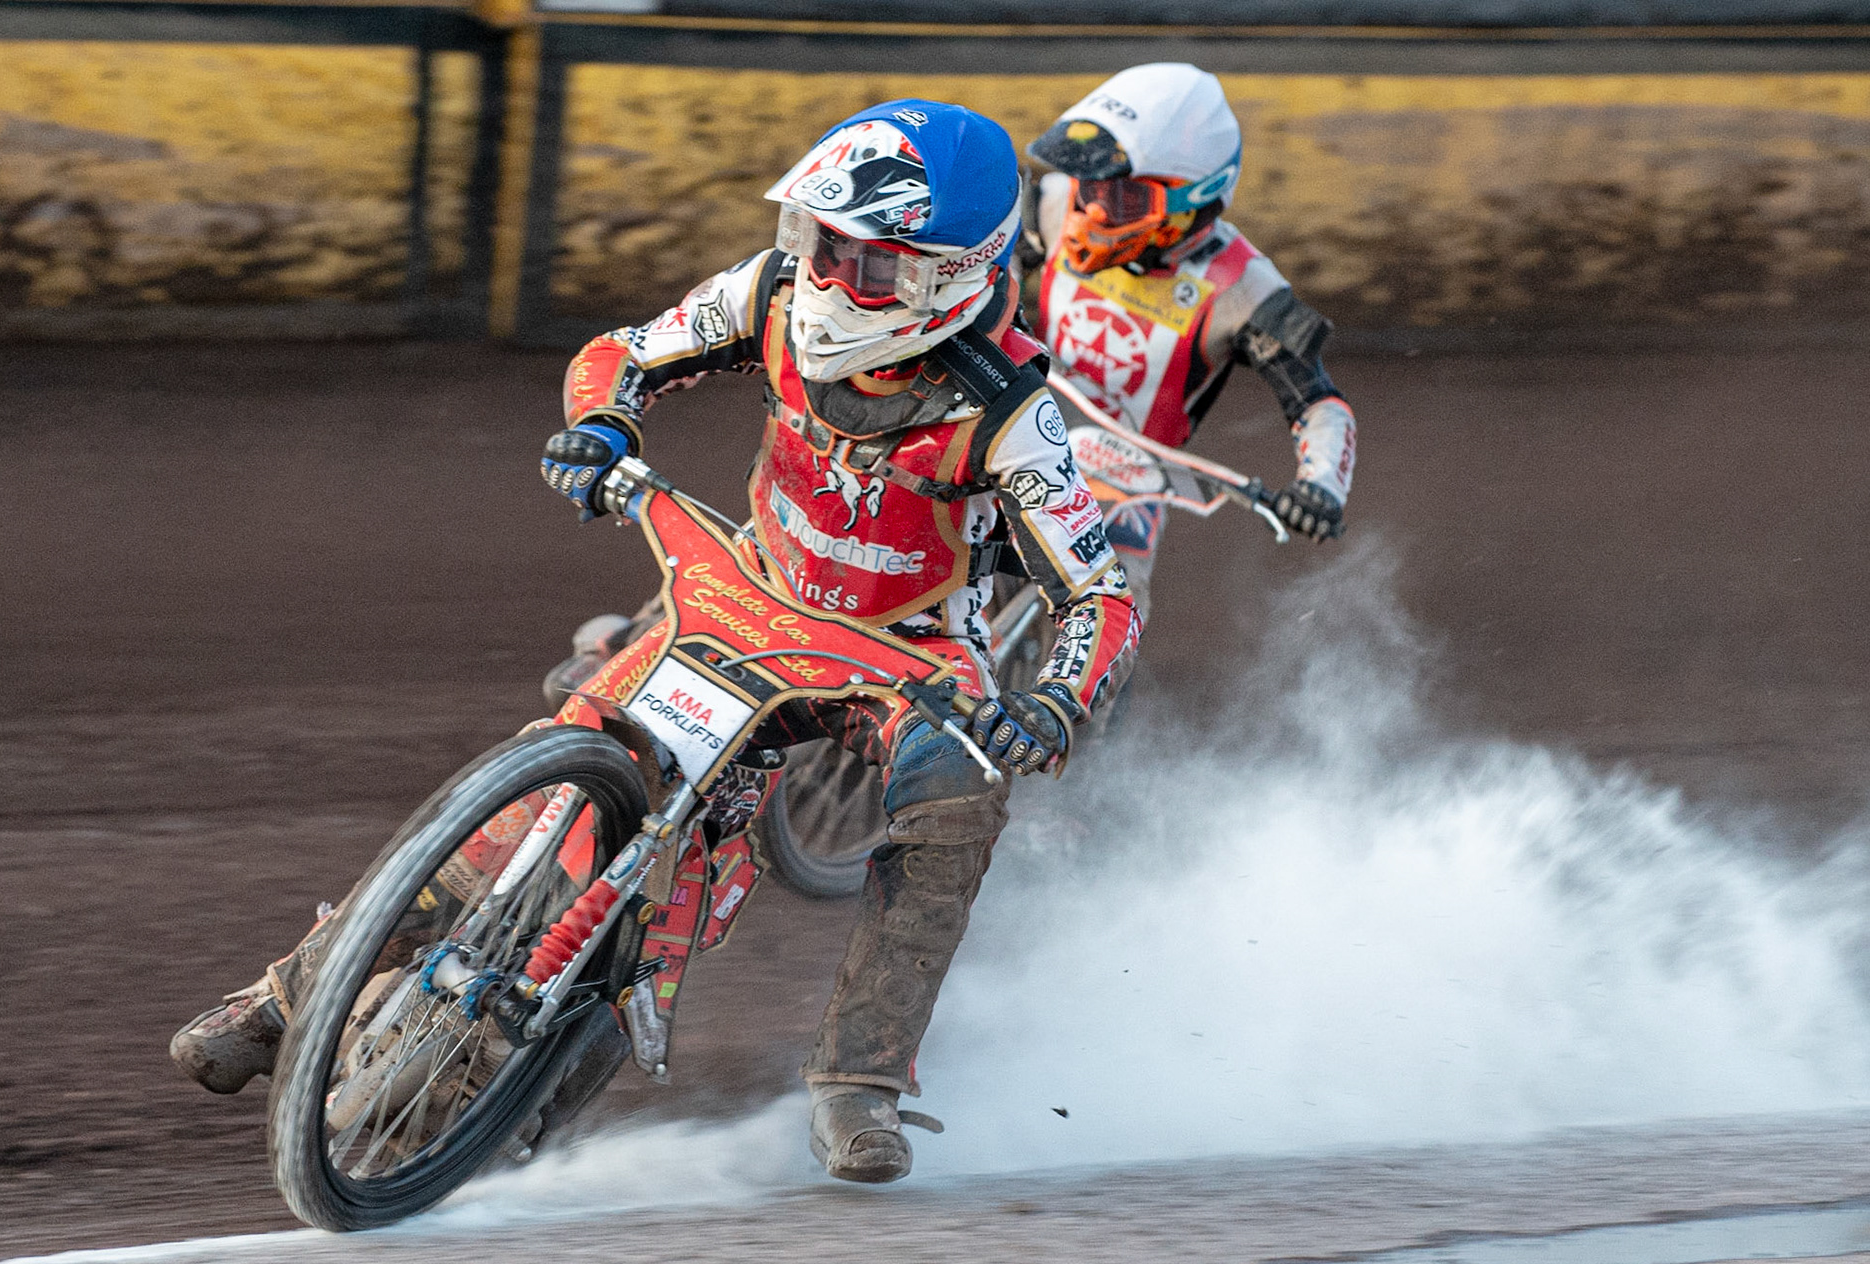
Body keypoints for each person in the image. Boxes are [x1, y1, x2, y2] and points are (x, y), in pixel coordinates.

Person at [171, 100, 1140, 1186]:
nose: (828, 281)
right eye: (823, 246)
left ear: (947, 278)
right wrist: (602, 426)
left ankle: (860, 1081)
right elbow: (620, 352)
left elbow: (1100, 593)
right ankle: (288, 992)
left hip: (899, 653)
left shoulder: (1013, 414)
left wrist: (1052, 701)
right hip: (743, 583)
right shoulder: (768, 295)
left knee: (957, 800)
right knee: (556, 750)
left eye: (870, 266)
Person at [1023, 63, 1357, 621]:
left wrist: (1320, 489)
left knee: (1113, 607)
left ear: (1189, 201)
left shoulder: (1245, 288)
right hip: (1018, 420)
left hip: (1129, 475)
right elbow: (979, 266)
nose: (1094, 213)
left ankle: (1102, 708)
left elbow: (1317, 401)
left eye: (1126, 199)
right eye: (1092, 188)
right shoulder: (1052, 202)